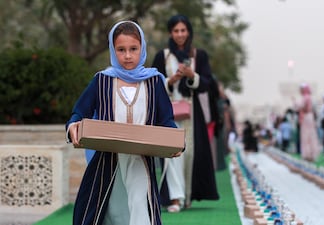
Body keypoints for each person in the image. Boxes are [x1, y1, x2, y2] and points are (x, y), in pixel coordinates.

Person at [66, 20, 183, 225]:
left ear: (142, 48)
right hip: (106, 163)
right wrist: (73, 126)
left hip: (140, 161)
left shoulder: (154, 81)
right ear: (113, 50)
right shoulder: (102, 80)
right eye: (121, 49)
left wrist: (174, 142)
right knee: (106, 212)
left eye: (133, 49)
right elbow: (79, 112)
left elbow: (166, 120)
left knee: (140, 207)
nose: (127, 56)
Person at [151, 14, 219, 210]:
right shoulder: (163, 56)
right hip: (169, 111)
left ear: (188, 32)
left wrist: (192, 76)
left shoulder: (199, 55)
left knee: (189, 153)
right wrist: (170, 81)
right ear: (170, 33)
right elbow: (153, 84)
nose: (180, 34)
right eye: (176, 31)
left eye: (183, 30)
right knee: (172, 153)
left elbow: (207, 84)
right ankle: (175, 198)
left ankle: (187, 195)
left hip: (191, 112)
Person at [293, 83, 320, 162]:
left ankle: (308, 154)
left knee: (306, 136)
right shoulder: (309, 97)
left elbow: (302, 107)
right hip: (308, 117)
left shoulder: (306, 98)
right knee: (310, 136)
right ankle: (310, 154)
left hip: (306, 117)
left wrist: (295, 103)